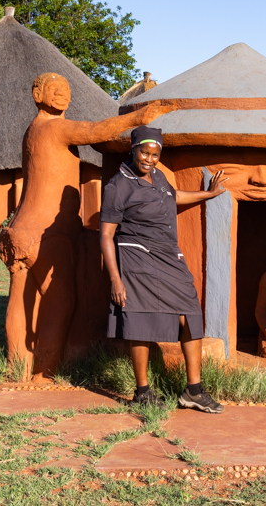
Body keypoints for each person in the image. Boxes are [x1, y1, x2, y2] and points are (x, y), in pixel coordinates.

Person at [0, 73, 171, 381]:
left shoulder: (32, 132)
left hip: (20, 229)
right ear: (37, 93)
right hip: (48, 233)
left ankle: (15, 369)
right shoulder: (54, 128)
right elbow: (96, 130)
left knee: (20, 297)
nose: (62, 95)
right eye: (54, 90)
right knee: (59, 299)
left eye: (66, 90)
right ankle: (43, 373)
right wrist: (140, 117)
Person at [99, 126, 228, 412]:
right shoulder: (117, 187)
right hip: (137, 259)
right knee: (140, 321)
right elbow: (106, 235)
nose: (149, 159)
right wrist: (115, 280)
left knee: (191, 314)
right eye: (144, 153)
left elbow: (173, 196)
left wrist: (207, 194)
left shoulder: (158, 176)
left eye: (155, 155)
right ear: (133, 150)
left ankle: (193, 391)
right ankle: (142, 392)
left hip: (169, 256)